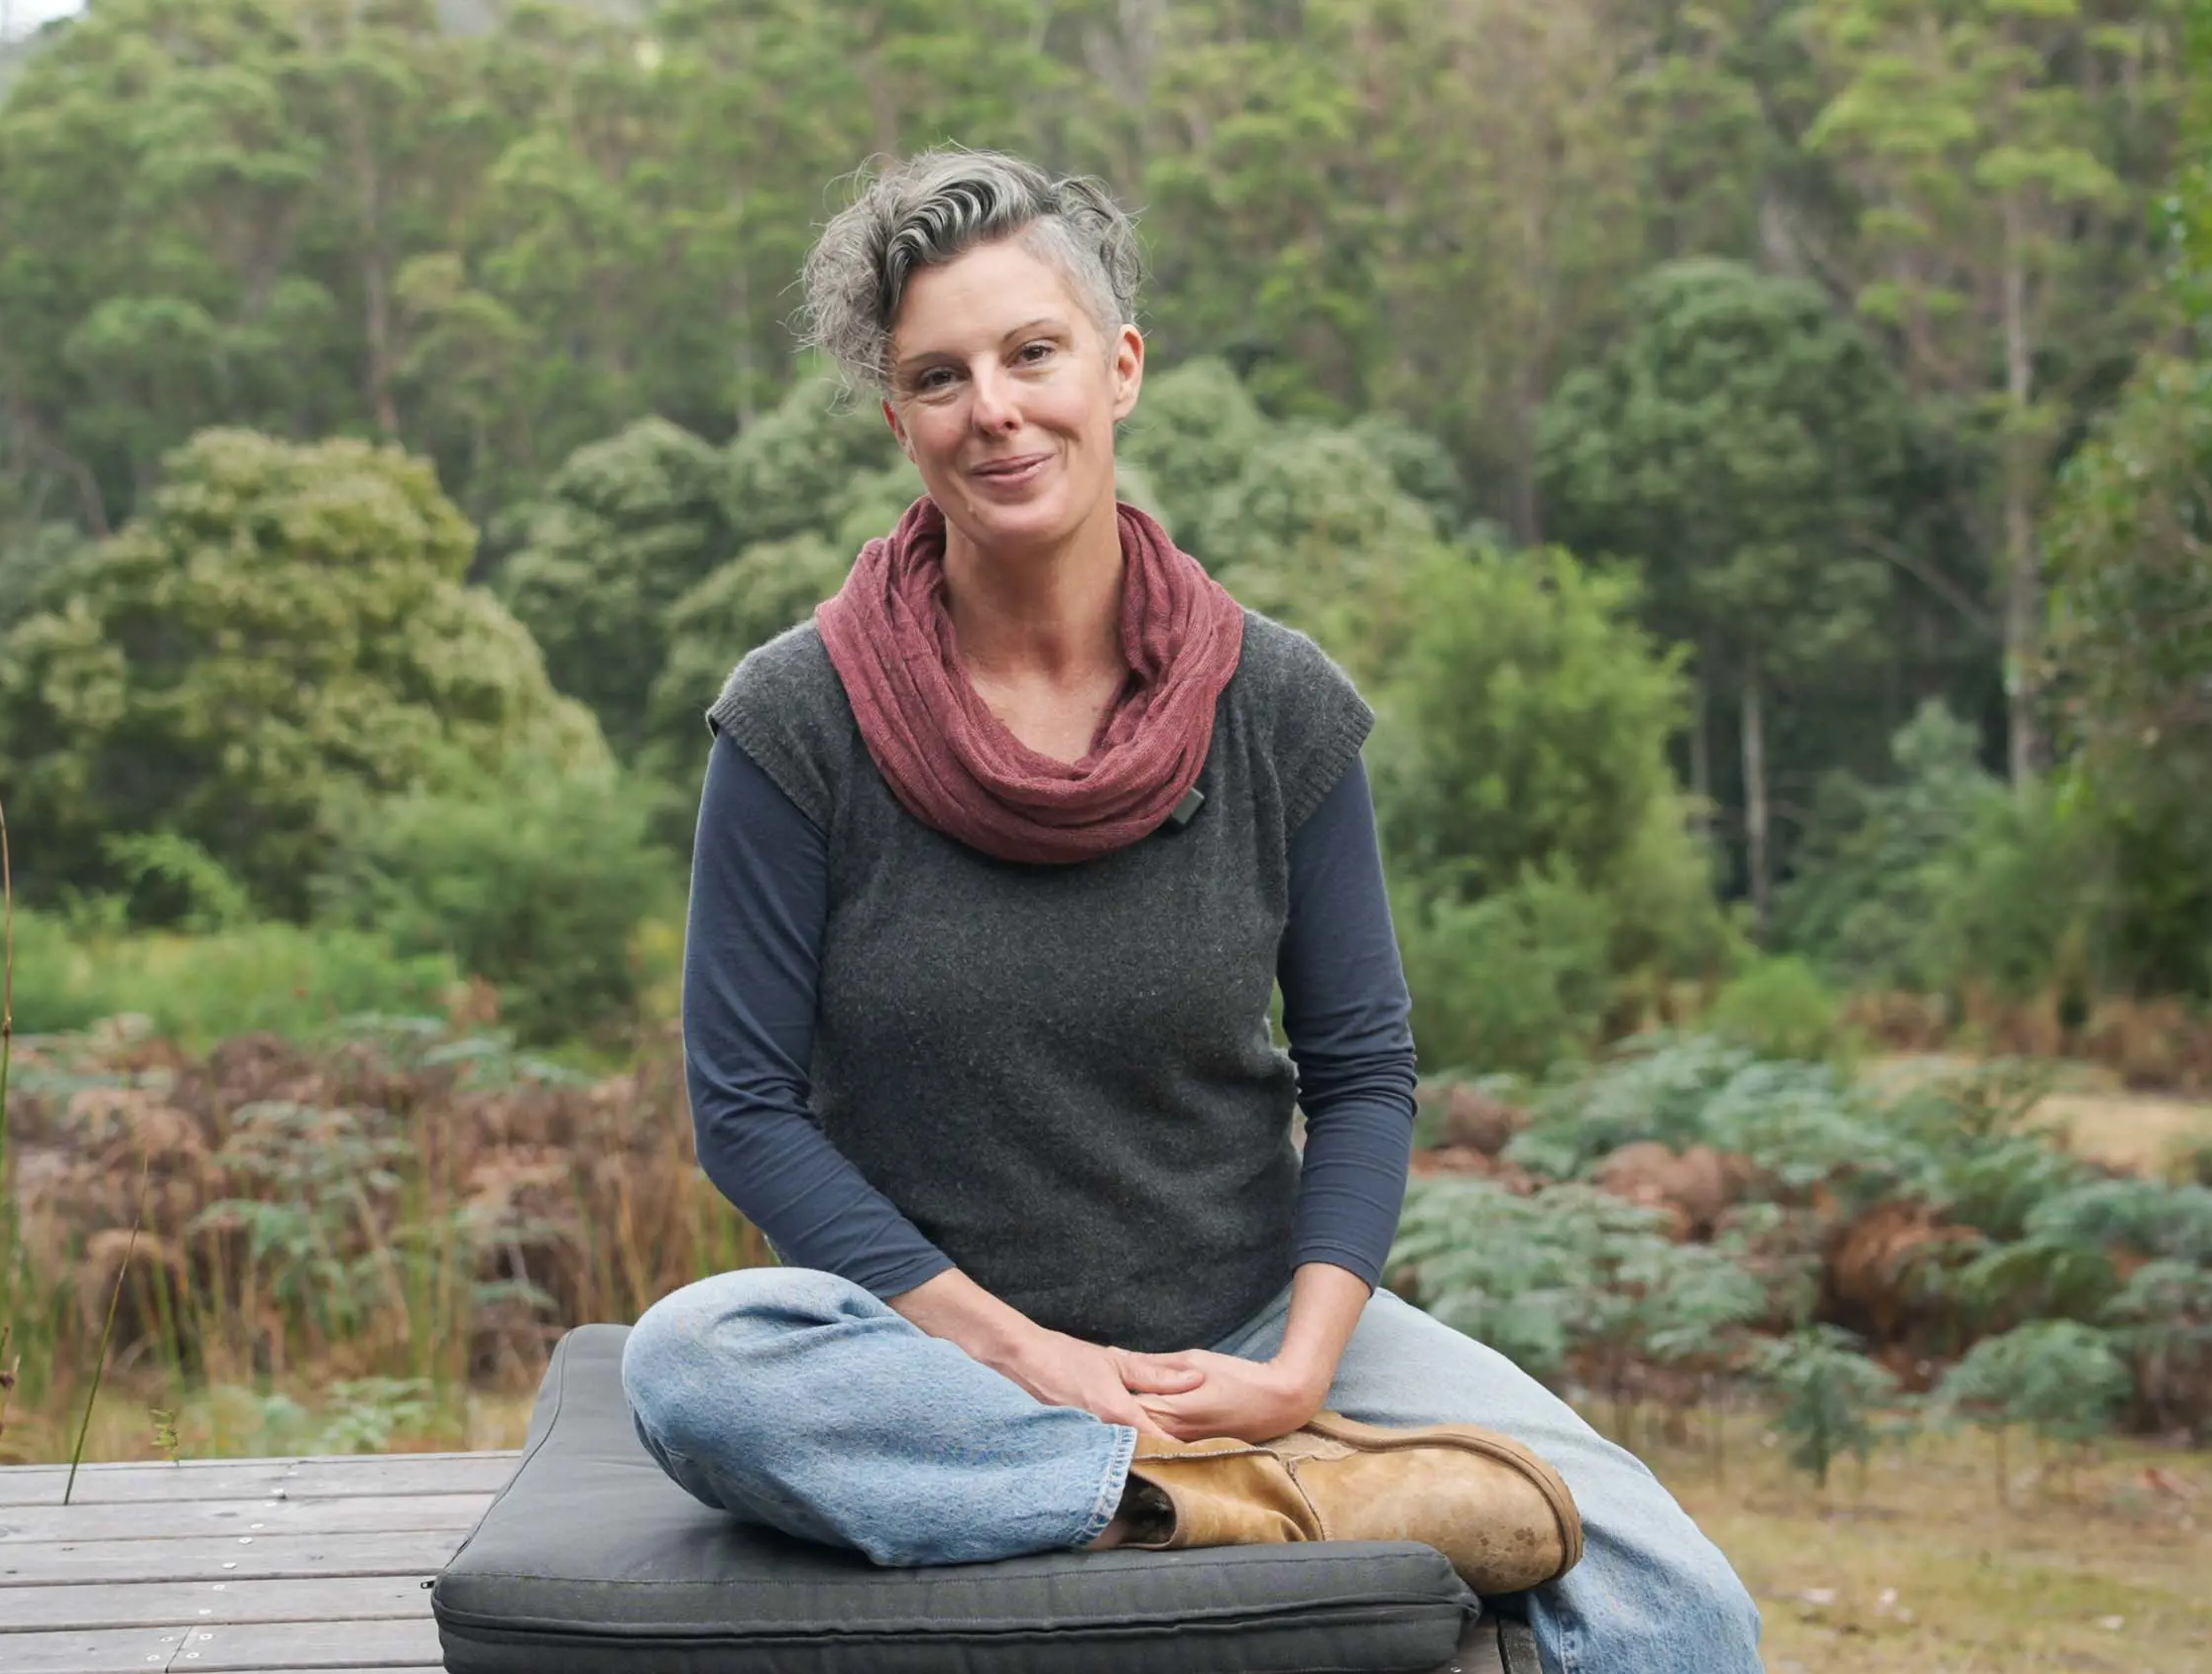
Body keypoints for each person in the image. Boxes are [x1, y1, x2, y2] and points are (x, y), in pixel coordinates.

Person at [620, 147, 1763, 1671]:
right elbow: (747, 1113)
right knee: (695, 1365)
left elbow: (1363, 1071)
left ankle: (1248, 1469)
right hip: (935, 1363)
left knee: (1681, 1600)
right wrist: (1039, 1367)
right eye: (941, 377)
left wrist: (1297, 1369)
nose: (997, 409)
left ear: (1121, 364)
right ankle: (1212, 1503)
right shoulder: (797, 719)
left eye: (1034, 353)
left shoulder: (1276, 703)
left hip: (1241, 1336)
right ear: (900, 421)